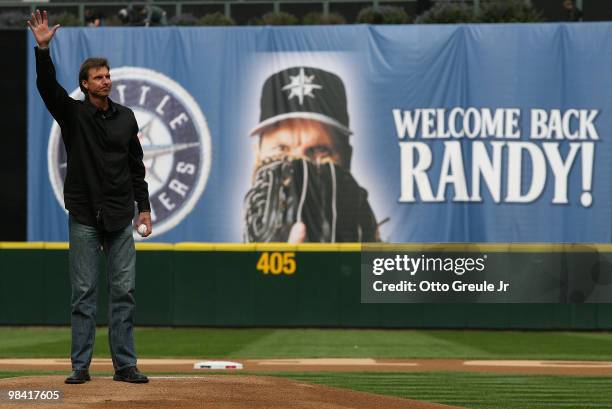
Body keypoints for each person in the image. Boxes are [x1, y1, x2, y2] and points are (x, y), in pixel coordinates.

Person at [27, 10, 151, 384]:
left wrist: (143, 209)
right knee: (83, 294)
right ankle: (80, 367)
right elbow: (47, 88)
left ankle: (125, 365)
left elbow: (136, 168)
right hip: (84, 215)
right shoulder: (72, 114)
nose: (106, 81)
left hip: (119, 215)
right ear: (84, 84)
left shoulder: (126, 118)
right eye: (98, 77)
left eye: (108, 75)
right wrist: (43, 50)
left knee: (124, 292)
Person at [244, 66, 379, 243]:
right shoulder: (214, 265)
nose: (297, 162)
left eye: (318, 150)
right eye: (281, 149)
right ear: (257, 156)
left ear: (347, 159)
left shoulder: (383, 265)